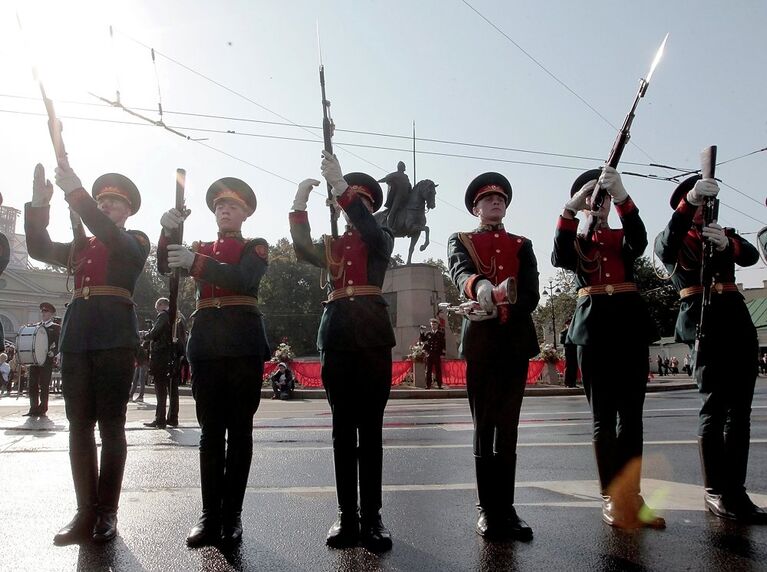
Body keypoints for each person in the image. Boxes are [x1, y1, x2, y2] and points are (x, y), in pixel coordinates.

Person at [25, 162, 149, 544]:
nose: (107, 206)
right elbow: (38, 247)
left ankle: (107, 512)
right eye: (102, 201)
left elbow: (107, 231)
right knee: (78, 427)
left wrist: (77, 195)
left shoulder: (134, 241)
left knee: (111, 426)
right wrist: (39, 205)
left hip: (114, 338)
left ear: (127, 211)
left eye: (114, 202)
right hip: (78, 338)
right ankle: (85, 511)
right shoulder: (81, 247)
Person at [289, 151, 396, 552]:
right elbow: (301, 249)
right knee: (340, 432)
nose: (355, 207)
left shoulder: (380, 236)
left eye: (362, 201)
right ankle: (346, 515)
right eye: (350, 201)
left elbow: (370, 233)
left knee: (369, 432)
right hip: (335, 337)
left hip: (370, 337)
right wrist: (299, 207)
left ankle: (373, 517)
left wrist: (341, 187)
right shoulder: (333, 244)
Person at [159, 177, 271, 547]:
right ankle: (209, 516)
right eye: (220, 206)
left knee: (240, 433)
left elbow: (241, 279)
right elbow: (164, 266)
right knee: (210, 435)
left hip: (242, 346)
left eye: (233, 206)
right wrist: (166, 231)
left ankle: (232, 517)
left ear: (246, 213)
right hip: (207, 345)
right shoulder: (199, 247)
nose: (224, 210)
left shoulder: (255, 247)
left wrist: (196, 262)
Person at [552, 167, 664, 529]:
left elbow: (640, 241)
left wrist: (621, 198)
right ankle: (611, 497)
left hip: (629, 329)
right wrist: (569, 212)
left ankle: (633, 495)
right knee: (604, 419)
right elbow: (560, 256)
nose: (595, 205)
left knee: (631, 419)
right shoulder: (577, 242)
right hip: (595, 332)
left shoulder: (619, 237)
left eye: (599, 199)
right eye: (591, 199)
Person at [654, 174, 766, 523]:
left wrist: (728, 244)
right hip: (703, 321)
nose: (704, 208)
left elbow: (748, 256)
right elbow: (665, 247)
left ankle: (736, 489)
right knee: (715, 407)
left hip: (736, 320)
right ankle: (715, 490)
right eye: (697, 202)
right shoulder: (673, 236)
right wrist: (688, 201)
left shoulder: (722, 234)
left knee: (741, 412)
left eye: (706, 202)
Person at [447, 172, 539, 541]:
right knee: (485, 427)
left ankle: (508, 508)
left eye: (500, 198)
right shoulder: (462, 240)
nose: (495, 203)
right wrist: (480, 286)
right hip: (482, 343)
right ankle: (487, 508)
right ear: (475, 207)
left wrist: (503, 304)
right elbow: (459, 271)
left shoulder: (522, 243)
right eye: (487, 199)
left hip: (514, 341)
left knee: (509, 429)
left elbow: (530, 294)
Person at [144, 298, 177, 428]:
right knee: (170, 390)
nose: (157, 310)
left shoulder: (163, 316)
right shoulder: (175, 317)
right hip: (170, 356)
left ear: (162, 305)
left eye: (157, 307)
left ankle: (160, 419)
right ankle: (171, 417)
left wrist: (145, 336)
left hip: (161, 356)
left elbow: (155, 332)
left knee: (160, 389)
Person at [24, 302, 61, 417]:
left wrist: (53, 352)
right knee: (32, 385)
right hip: (35, 360)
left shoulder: (55, 327)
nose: (43, 313)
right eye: (42, 311)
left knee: (44, 385)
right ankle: (33, 408)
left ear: (51, 313)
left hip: (46, 360)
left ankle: (43, 408)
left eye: (46, 311)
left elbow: (59, 343)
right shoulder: (36, 326)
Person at [377, 161, 411, 231]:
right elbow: (386, 178)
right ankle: (389, 227)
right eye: (401, 166)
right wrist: (378, 181)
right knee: (393, 210)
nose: (402, 167)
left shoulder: (406, 177)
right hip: (398, 197)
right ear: (399, 167)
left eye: (403, 166)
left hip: (406, 198)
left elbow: (409, 186)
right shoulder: (395, 174)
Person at [419, 318, 446, 389]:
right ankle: (428, 385)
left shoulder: (440, 334)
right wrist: (422, 332)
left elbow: (443, 344)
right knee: (428, 370)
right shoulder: (428, 333)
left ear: (437, 325)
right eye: (432, 325)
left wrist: (442, 354)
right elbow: (423, 339)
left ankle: (439, 384)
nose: (433, 326)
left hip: (437, 354)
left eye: (434, 324)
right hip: (429, 354)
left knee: (438, 370)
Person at [130, 332, 149, 402]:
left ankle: (141, 396)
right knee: (135, 379)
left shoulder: (144, 344)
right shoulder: (139, 345)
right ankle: (131, 395)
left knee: (141, 379)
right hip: (140, 363)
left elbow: (143, 355)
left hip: (143, 363)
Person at [560, 318, 578, 388]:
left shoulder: (575, 331)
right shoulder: (563, 332)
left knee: (574, 366)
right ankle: (567, 383)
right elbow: (562, 341)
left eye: (570, 323)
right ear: (566, 325)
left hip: (574, 350)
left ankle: (573, 383)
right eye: (568, 324)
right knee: (568, 366)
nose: (570, 325)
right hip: (568, 350)